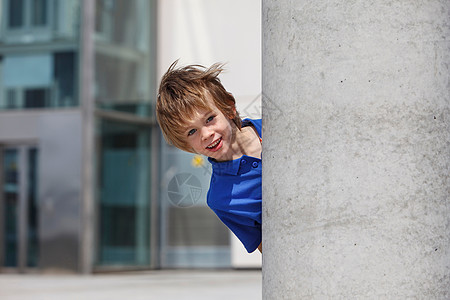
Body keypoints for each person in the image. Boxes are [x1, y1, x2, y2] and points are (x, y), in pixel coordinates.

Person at [157, 61, 262, 253]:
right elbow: (273, 255)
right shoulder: (221, 199)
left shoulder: (278, 127)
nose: (205, 134)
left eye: (209, 119)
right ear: (186, 145)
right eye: (191, 132)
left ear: (229, 107)